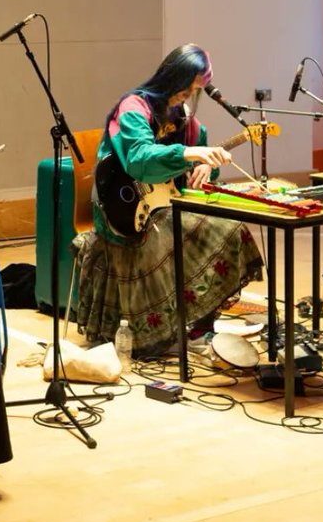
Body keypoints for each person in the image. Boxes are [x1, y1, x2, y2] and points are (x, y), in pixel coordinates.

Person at [72, 43, 263, 357]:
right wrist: (189, 153)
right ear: (171, 79)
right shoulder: (133, 107)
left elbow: (193, 169)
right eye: (184, 90)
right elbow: (139, 159)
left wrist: (204, 166)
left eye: (192, 92)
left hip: (161, 203)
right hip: (123, 209)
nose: (186, 97)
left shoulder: (185, 119)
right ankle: (162, 332)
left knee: (229, 229)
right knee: (176, 235)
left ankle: (200, 327)